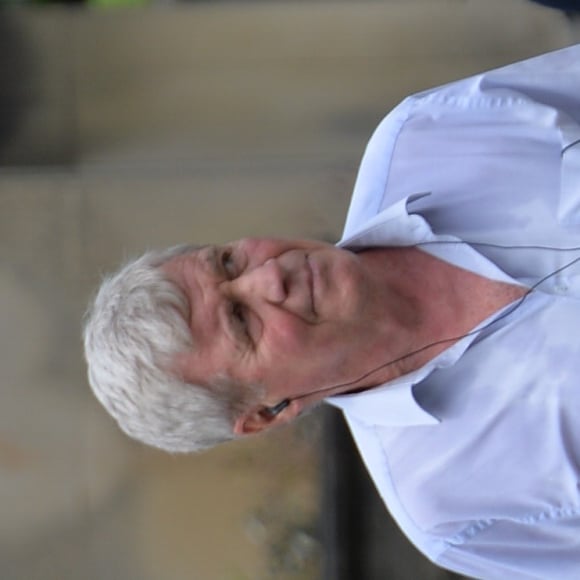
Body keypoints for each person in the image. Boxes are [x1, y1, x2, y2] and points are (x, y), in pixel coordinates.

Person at [84, 44, 580, 579]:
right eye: (242, 320)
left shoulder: (429, 134)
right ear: (266, 413)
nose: (269, 275)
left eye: (228, 261)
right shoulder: (452, 506)